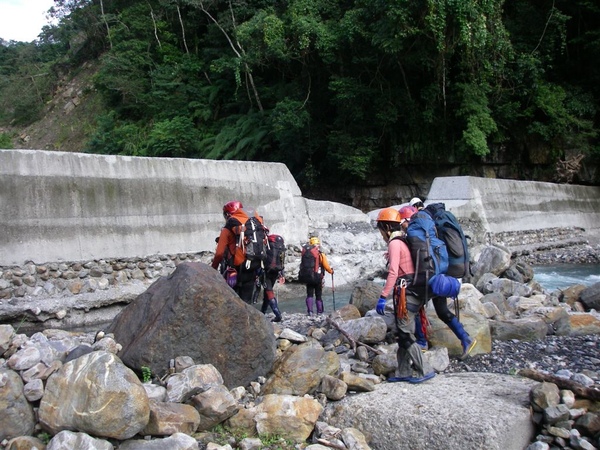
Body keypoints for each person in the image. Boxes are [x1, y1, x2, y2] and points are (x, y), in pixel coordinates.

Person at [398, 205, 477, 360]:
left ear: (408, 219)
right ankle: (465, 338)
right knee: (441, 311)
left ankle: (421, 342)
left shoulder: (418, 232)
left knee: (414, 305)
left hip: (432, 276)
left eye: (403, 224)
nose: (403, 227)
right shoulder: (431, 230)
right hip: (441, 274)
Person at [375, 207, 435, 383]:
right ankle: (403, 371)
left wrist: (382, 297)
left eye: (380, 229)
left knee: (406, 334)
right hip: (414, 292)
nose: (380, 234)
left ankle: (425, 369)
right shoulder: (403, 241)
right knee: (402, 333)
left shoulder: (394, 243)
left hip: (405, 294)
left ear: (386, 228)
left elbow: (393, 272)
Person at [211, 200, 263, 305]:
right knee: (247, 301)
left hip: (233, 270)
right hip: (252, 265)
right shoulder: (254, 223)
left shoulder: (227, 229)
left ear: (227, 214)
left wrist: (212, 270)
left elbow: (219, 254)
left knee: (232, 301)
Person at [300, 235, 334, 315]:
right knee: (318, 295)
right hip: (317, 277)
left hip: (308, 276)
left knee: (309, 294)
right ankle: (319, 312)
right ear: (318, 244)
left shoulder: (305, 253)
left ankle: (310, 311)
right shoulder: (321, 254)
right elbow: (326, 266)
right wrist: (331, 271)